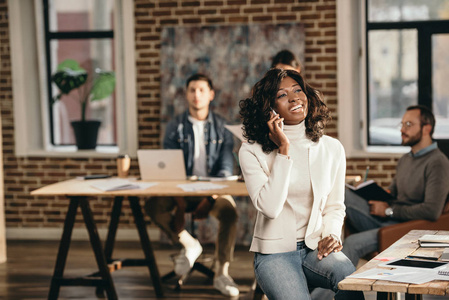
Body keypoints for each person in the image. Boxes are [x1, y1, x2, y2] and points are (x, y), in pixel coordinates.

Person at [238, 68, 364, 300]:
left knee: (351, 281)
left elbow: (335, 206)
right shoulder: (251, 150)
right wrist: (284, 150)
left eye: (298, 90)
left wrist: (333, 234)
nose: (295, 97)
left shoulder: (331, 148)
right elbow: (270, 207)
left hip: (314, 249)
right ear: (269, 107)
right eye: (282, 94)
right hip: (274, 255)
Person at [145, 74, 239, 297]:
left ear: (211, 95)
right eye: (192, 90)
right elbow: (170, 169)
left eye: (201, 90)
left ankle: (222, 273)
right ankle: (189, 245)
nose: (196, 95)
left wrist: (211, 198)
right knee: (152, 206)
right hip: (181, 191)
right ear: (186, 94)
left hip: (213, 192)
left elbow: (226, 170)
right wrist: (179, 203)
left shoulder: (222, 128)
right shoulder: (174, 127)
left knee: (230, 213)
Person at [343, 105, 449, 267]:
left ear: (426, 129)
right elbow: (393, 191)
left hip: (407, 228)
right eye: (402, 124)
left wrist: (388, 211)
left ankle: (330, 292)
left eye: (409, 125)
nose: (402, 130)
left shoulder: (438, 162)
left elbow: (431, 211)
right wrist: (369, 191)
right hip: (388, 218)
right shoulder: (406, 159)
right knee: (342, 192)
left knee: (352, 242)